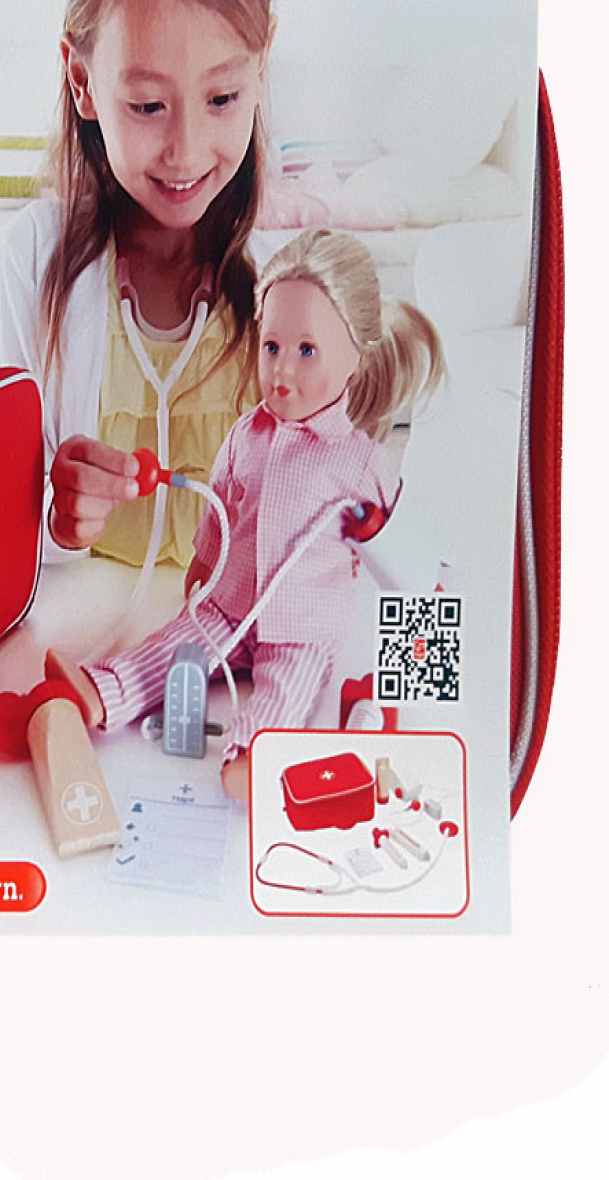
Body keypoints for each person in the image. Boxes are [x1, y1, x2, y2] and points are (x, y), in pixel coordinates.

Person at [46, 229, 446, 801]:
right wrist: (204, 565)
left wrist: (412, 604)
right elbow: (220, 508)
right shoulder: (245, 435)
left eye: (306, 351)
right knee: (176, 647)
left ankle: (256, 751)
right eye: (272, 347)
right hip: (229, 603)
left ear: (356, 356)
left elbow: (408, 562)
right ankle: (102, 692)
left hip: (301, 627)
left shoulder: (359, 462)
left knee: (288, 686)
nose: (282, 371)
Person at [0, 0, 275, 567]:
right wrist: (55, 520)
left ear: (261, 66)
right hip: (88, 612)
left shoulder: (288, 282)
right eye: (148, 106)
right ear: (82, 81)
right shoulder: (36, 258)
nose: (185, 153)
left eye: (222, 98)